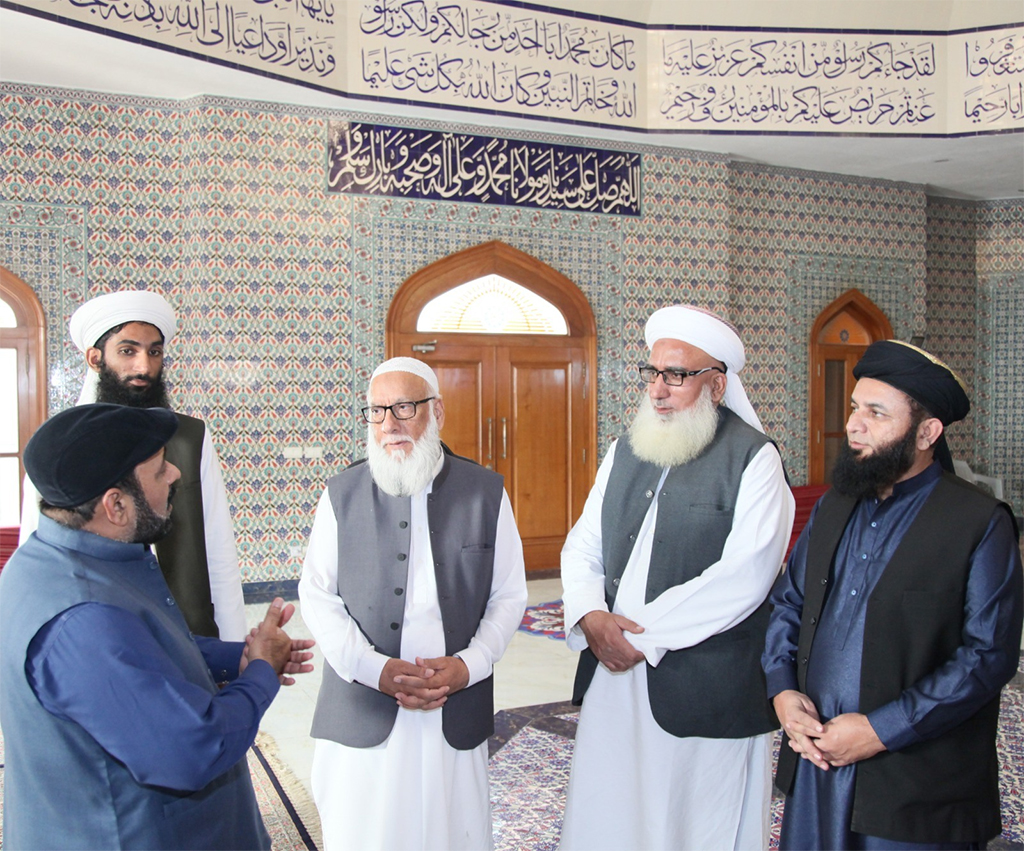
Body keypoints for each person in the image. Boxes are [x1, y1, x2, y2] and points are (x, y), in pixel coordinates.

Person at [0, 403, 316, 850]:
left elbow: (138, 649)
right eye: (159, 469)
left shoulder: (60, 559)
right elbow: (194, 747)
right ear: (115, 505)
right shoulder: (80, 621)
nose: (174, 476)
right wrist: (261, 673)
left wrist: (238, 656)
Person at [763, 340, 1024, 850]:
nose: (854, 425)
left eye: (876, 413)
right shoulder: (836, 503)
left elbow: (986, 657)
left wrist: (880, 730)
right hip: (818, 756)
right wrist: (782, 691)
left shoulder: (978, 522)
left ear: (927, 432)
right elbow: (789, 601)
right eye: (855, 408)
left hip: (914, 776)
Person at [559, 305, 795, 851]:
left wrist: (643, 637)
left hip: (704, 678)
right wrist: (591, 614)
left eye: (677, 375)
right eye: (654, 373)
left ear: (716, 385)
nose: (659, 390)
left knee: (694, 816)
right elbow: (583, 544)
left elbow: (745, 577)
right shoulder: (625, 450)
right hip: (614, 667)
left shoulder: (754, 460)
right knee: (611, 802)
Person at [298, 356, 528, 851]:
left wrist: (471, 664)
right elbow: (316, 595)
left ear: (437, 412)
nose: (389, 425)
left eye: (404, 408)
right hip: (365, 699)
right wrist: (370, 667)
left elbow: (509, 594)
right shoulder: (342, 493)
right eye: (377, 411)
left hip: (455, 700)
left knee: (453, 830)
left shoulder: (485, 492)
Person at [19, 289, 247, 639]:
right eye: (128, 351)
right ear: (95, 358)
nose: (144, 366)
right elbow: (33, 549)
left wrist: (234, 650)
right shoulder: (61, 446)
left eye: (154, 352)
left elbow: (218, 549)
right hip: (93, 631)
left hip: (187, 633)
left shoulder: (190, 438)